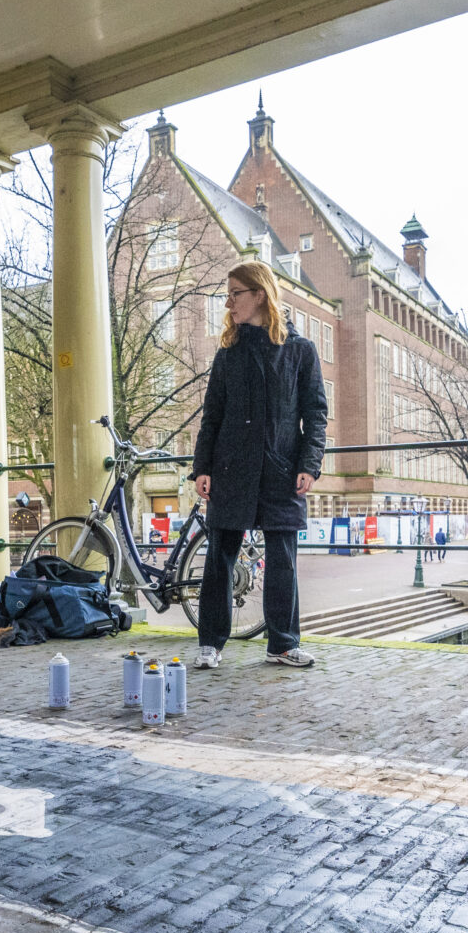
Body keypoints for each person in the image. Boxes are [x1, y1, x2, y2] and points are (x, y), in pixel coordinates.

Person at [190, 259, 326, 670]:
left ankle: (283, 644)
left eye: (234, 294)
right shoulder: (228, 353)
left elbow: (315, 413)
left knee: (283, 559)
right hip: (231, 468)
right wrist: (202, 467)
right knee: (220, 559)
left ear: (259, 295)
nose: (228, 303)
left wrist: (310, 463)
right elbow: (211, 414)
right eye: (227, 295)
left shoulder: (301, 351)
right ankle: (210, 644)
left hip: (282, 468)